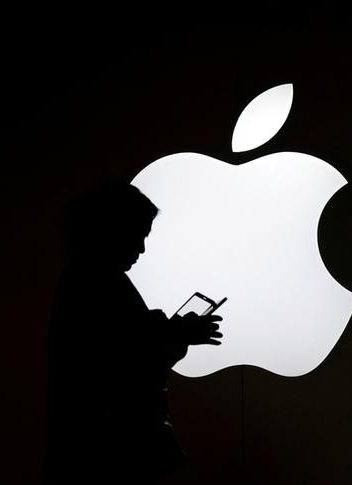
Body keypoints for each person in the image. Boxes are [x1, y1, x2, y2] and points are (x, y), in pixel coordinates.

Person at [43, 179, 223, 484]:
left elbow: (127, 343)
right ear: (111, 229)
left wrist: (173, 332)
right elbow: (126, 354)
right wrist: (177, 332)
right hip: (108, 450)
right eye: (137, 235)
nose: (141, 248)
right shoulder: (98, 281)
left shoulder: (86, 276)